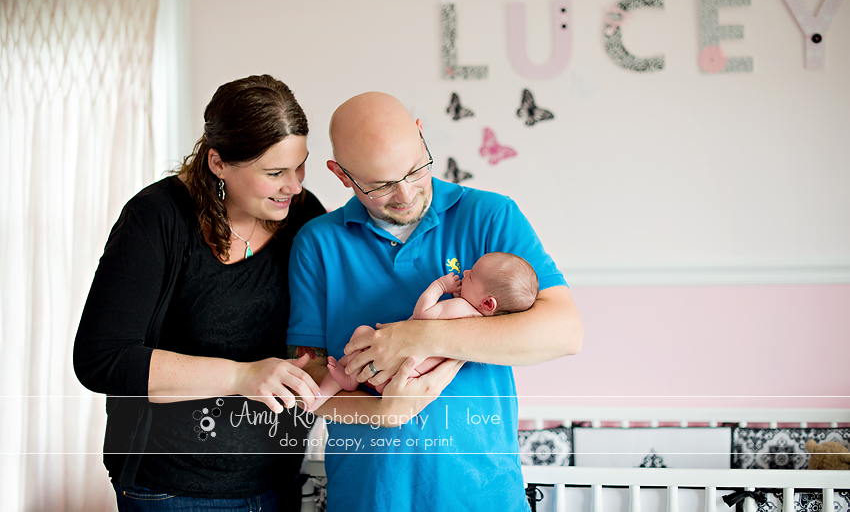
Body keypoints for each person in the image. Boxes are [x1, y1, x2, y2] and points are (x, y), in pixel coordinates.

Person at [286, 92, 583, 511]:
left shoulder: (490, 215)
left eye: (415, 169)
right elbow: (309, 373)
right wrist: (382, 413)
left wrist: (417, 337)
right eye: (381, 184)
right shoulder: (317, 243)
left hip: (481, 494)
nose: (405, 193)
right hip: (368, 497)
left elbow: (565, 332)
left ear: (422, 136)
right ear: (341, 175)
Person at [74, 75, 328, 510]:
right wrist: (241, 376)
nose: (295, 185)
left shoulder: (303, 216)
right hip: (172, 487)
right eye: (274, 173)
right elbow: (102, 360)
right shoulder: (157, 218)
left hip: (279, 474)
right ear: (217, 162)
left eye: (300, 165)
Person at [310, 252, 539, 408]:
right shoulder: (481, 326)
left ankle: (339, 384)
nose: (466, 271)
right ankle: (341, 384)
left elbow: (423, 317)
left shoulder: (459, 306)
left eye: (472, 277)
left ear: (488, 303)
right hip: (405, 380)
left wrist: (440, 286)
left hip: (394, 369)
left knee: (362, 332)